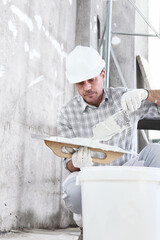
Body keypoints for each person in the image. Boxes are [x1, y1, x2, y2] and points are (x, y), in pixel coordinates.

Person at [57, 45, 160, 240]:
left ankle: (146, 217)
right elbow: (68, 165)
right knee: (71, 191)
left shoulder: (124, 98)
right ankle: (89, 222)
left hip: (126, 171)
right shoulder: (66, 113)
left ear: (102, 74)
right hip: (92, 177)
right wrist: (76, 163)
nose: (87, 87)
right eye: (80, 83)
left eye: (92, 80)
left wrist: (146, 94)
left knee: (157, 152)